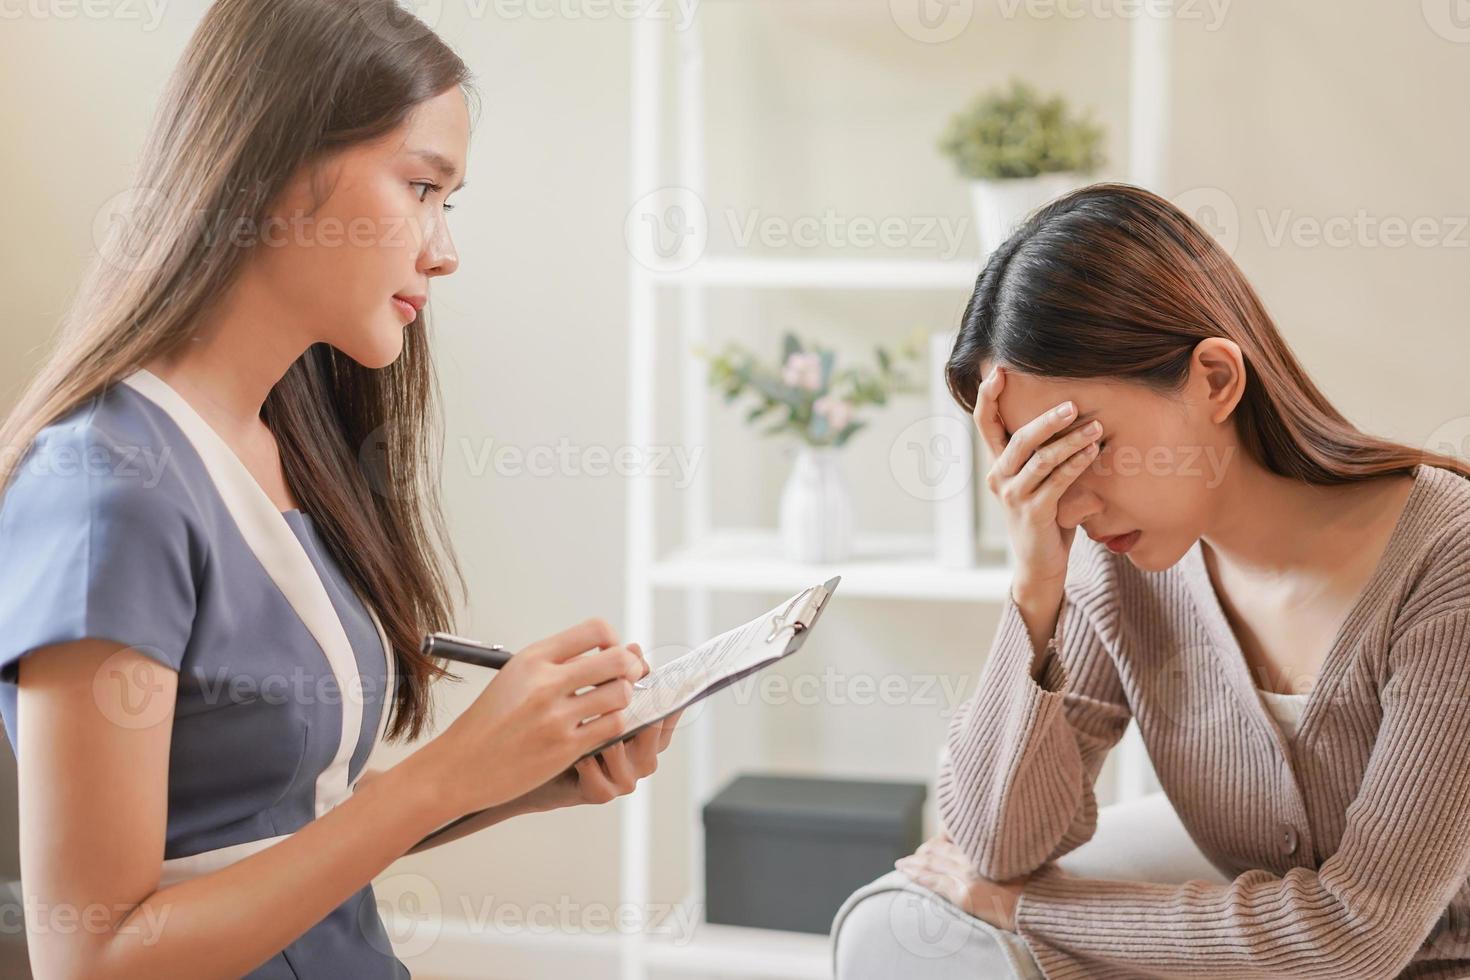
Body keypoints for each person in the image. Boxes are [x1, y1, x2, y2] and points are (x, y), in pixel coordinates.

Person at [0, 2, 678, 976]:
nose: (444, 250)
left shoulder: (286, 445)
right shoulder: (108, 490)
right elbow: (93, 954)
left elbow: (279, 835)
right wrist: (443, 774)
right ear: (277, 165)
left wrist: (522, 773)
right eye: (422, 187)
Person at [833, 183, 1470, 978]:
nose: (1071, 500)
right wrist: (1034, 589)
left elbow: (1354, 937)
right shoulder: (1124, 563)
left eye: (1083, 447)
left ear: (1213, 380)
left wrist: (1035, 910)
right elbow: (997, 846)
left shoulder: (1449, 566)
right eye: (1034, 463)